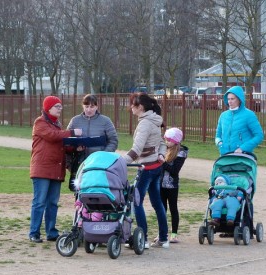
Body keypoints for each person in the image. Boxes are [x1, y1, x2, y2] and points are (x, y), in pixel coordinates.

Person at [29, 95, 83, 243]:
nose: (60, 109)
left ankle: (51, 232)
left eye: (60, 106)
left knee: (52, 203)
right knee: (39, 202)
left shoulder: (57, 125)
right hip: (42, 169)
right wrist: (71, 133)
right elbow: (53, 137)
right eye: (57, 106)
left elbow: (61, 144)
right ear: (48, 108)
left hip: (55, 169)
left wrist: (74, 147)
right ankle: (34, 233)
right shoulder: (40, 123)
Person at [123, 92, 169, 249]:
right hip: (156, 167)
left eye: (133, 105)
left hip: (146, 168)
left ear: (140, 107)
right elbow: (162, 142)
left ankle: (143, 239)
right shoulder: (154, 120)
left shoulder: (145, 123)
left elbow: (137, 148)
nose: (131, 108)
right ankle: (163, 238)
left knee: (137, 202)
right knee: (157, 202)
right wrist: (161, 154)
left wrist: (121, 162)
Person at [66, 94, 118, 191]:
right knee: (79, 192)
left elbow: (113, 140)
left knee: (97, 190)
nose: (89, 110)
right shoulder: (75, 121)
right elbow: (67, 142)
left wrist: (103, 155)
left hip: (99, 164)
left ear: (97, 106)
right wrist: (70, 163)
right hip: (80, 163)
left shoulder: (105, 121)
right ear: (83, 106)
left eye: (92, 106)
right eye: (86, 106)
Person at [215, 86, 264, 155]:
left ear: (239, 99)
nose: (229, 101)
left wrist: (243, 148)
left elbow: (259, 135)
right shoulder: (223, 116)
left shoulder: (249, 115)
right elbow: (218, 135)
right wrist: (220, 143)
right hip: (224, 156)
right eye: (228, 99)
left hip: (242, 156)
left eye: (232, 99)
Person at [159, 127, 188, 243]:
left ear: (175, 141)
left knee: (173, 209)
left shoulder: (181, 153)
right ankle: (162, 233)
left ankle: (174, 234)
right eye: (166, 140)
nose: (167, 142)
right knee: (161, 209)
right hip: (160, 184)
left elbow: (174, 170)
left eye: (169, 140)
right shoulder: (164, 149)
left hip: (172, 186)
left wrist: (163, 163)